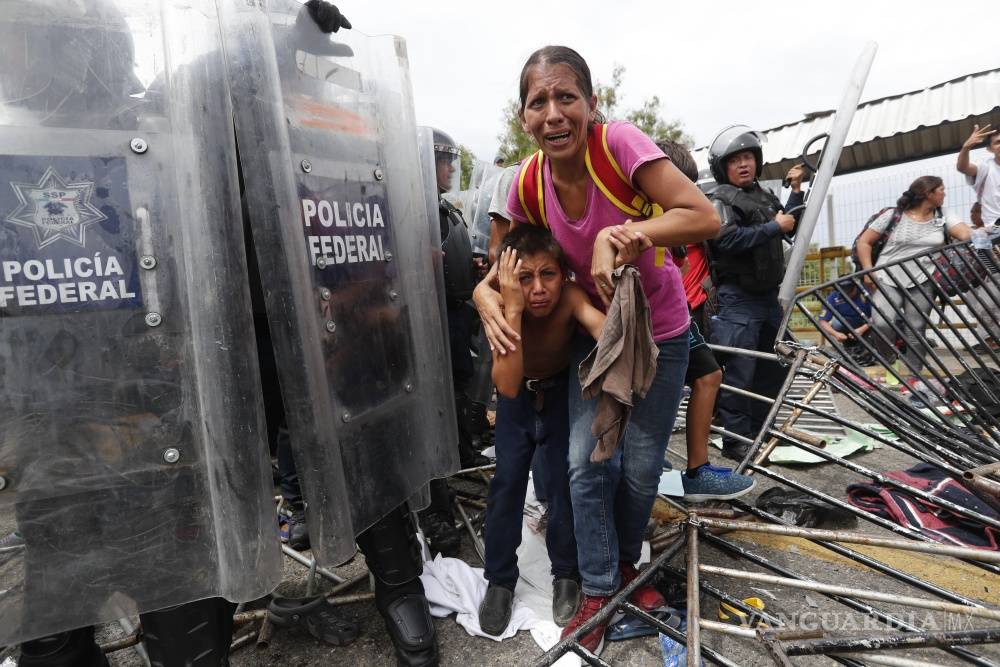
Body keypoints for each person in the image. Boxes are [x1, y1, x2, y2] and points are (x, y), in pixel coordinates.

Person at [474, 45, 719, 654]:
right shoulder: (528, 181)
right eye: (538, 102)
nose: (553, 114)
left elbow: (702, 215)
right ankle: (600, 585)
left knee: (638, 468)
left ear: (591, 103)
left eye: (566, 98)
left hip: (658, 333)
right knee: (586, 463)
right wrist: (483, 298)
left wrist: (626, 232)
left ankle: (626, 569)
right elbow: (496, 269)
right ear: (523, 117)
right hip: (592, 337)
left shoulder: (619, 147)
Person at [478, 226, 607, 635]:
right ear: (506, 279)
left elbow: (601, 326)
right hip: (517, 399)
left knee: (563, 484)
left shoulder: (569, 298)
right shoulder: (499, 305)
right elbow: (509, 386)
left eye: (547, 274)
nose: (537, 288)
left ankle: (565, 574)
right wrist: (511, 310)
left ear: (564, 275)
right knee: (507, 483)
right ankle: (499, 580)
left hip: (558, 396)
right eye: (525, 277)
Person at [657, 140, 755, 500]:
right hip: (656, 319)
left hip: (682, 313)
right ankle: (646, 464)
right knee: (653, 395)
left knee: (709, 374)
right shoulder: (645, 219)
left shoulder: (680, 221)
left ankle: (697, 470)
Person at [705, 125, 806, 462]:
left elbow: (790, 222)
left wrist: (796, 192)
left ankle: (762, 431)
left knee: (776, 366)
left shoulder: (763, 196)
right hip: (739, 299)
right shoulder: (720, 199)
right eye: (736, 160)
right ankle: (736, 440)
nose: (744, 164)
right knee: (740, 370)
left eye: (748, 157)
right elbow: (726, 240)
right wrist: (773, 228)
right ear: (723, 167)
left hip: (768, 299)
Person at [855, 176, 970, 377]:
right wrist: (868, 270)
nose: (945, 193)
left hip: (923, 279)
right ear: (928, 194)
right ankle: (891, 362)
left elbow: (966, 235)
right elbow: (864, 242)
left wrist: (986, 231)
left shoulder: (943, 215)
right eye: (941, 190)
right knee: (882, 322)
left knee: (916, 329)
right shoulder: (893, 215)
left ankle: (914, 375)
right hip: (887, 277)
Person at [818, 279, 875, 365]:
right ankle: (848, 345)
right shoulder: (834, 297)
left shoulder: (866, 293)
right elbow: (823, 321)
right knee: (836, 324)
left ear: (855, 287)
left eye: (849, 291)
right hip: (847, 326)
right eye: (843, 291)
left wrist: (861, 330)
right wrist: (836, 334)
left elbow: (876, 316)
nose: (846, 294)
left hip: (867, 325)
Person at [957, 124, 1000, 228]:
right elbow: (963, 167)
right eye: (998, 142)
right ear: (990, 149)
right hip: (996, 230)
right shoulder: (985, 168)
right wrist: (966, 147)